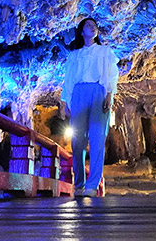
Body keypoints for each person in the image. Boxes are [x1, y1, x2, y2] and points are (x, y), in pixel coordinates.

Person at [60, 17, 119, 197]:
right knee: (77, 140)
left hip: (98, 91)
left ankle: (92, 185)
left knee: (97, 138)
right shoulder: (74, 55)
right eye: (88, 25)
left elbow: (112, 74)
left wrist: (110, 94)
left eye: (94, 26)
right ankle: (78, 184)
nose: (92, 28)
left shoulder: (105, 52)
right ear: (81, 30)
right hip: (78, 93)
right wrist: (65, 102)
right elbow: (68, 79)